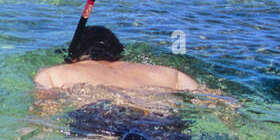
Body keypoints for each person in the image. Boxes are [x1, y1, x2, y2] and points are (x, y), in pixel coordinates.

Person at [34, 25, 199, 91]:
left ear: (75, 56)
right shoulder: (170, 74)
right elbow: (214, 99)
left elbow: (43, 111)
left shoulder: (53, 74)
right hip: (162, 122)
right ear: (119, 53)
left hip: (102, 118)